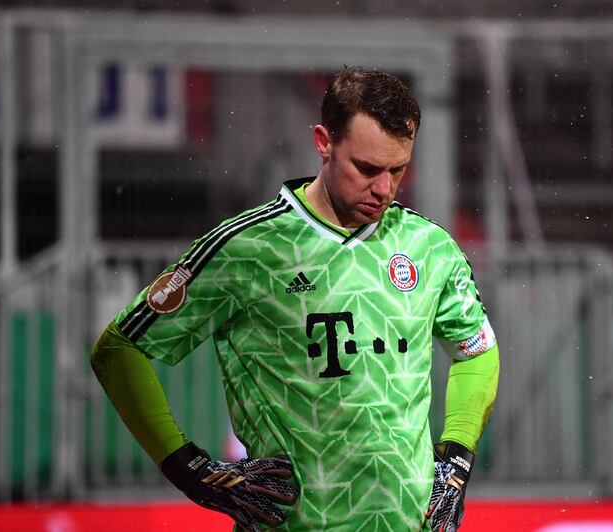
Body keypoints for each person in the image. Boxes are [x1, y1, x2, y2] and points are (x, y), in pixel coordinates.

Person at [91, 67, 500, 532]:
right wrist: (190, 470)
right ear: (324, 142)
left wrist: (458, 458)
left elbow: (477, 351)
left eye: (398, 169)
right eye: (366, 168)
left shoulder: (430, 247)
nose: (384, 188)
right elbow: (118, 349)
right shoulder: (247, 249)